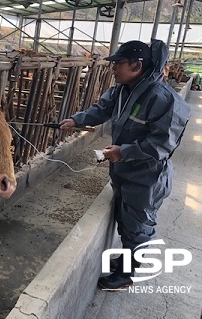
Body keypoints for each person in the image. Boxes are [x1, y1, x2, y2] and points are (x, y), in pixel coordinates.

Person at [59, 39, 190, 290]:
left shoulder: (163, 100)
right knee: (126, 219)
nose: (113, 68)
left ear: (137, 65)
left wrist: (124, 152)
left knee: (139, 225)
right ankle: (128, 259)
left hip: (147, 177)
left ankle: (128, 275)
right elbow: (102, 109)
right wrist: (76, 120)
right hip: (125, 172)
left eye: (118, 63)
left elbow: (162, 144)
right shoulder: (123, 90)